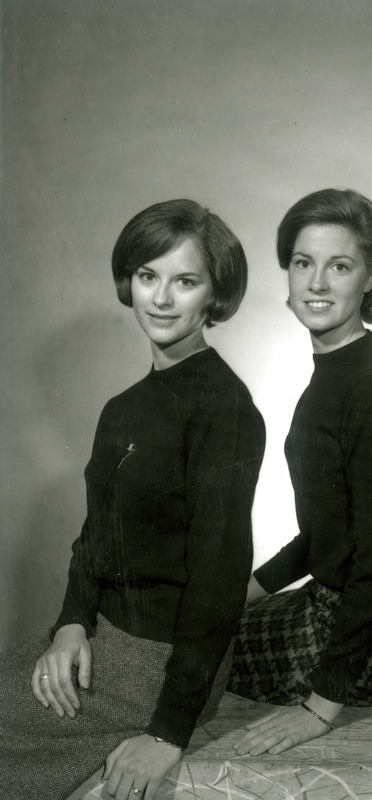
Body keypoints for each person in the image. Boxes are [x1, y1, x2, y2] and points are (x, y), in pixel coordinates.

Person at [0, 199, 266, 800]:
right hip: (103, 635)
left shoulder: (226, 409)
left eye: (185, 281)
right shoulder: (122, 408)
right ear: (130, 283)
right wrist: (69, 627)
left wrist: (167, 734)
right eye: (149, 277)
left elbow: (221, 579)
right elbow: (95, 537)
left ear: (214, 296)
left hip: (165, 661)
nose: (163, 299)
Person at [227, 188, 372, 755]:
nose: (317, 283)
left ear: (370, 278)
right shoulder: (334, 372)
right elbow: (325, 535)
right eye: (302, 263)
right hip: (336, 602)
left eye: (340, 266)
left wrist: (321, 707)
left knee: (184, 655)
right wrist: (239, 594)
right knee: (191, 629)